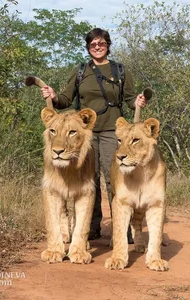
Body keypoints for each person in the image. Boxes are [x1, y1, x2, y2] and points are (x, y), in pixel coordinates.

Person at [41, 28, 148, 242]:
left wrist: (137, 102)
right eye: (92, 44)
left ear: (108, 45)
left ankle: (122, 228)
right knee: (90, 180)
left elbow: (128, 99)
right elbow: (65, 100)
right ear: (88, 47)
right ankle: (90, 228)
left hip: (111, 130)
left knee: (114, 179)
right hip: (83, 135)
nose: (97, 47)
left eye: (101, 43)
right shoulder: (81, 70)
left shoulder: (120, 70)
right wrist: (53, 96)